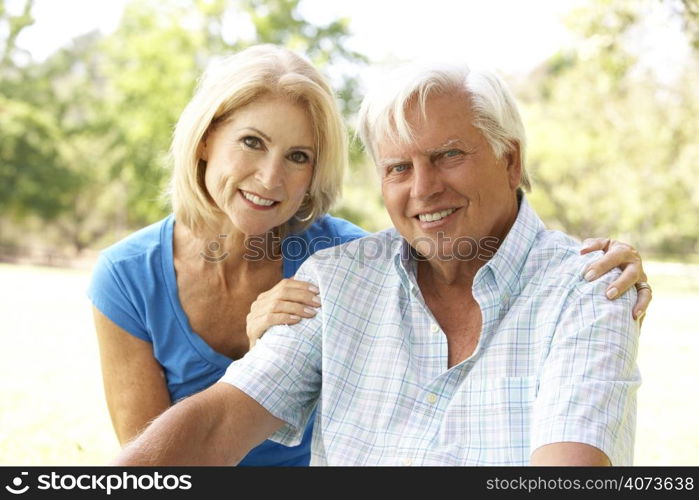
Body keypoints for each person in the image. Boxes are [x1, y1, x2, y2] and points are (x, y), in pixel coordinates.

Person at [113, 61, 647, 466]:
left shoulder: (592, 284)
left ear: (510, 160)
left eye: (448, 156)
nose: (424, 189)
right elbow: (217, 424)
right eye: (398, 167)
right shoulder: (336, 278)